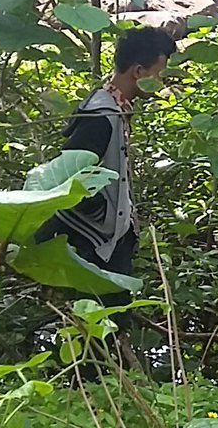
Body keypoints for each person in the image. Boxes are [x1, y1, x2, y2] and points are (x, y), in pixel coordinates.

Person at [37, 26, 177, 322]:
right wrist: (103, 212)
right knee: (102, 322)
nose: (162, 82)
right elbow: (69, 175)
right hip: (94, 241)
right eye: (159, 74)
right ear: (139, 71)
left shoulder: (115, 107)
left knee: (113, 319)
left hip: (108, 237)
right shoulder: (101, 116)